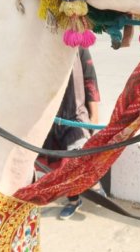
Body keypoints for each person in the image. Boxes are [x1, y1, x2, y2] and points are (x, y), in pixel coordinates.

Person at [39, 47, 101, 220]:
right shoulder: (42, 46)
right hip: (49, 117)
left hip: (75, 116)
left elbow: (90, 80)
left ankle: (93, 183)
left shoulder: (79, 45)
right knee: (56, 164)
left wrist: (94, 117)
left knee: (76, 158)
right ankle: (73, 200)